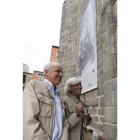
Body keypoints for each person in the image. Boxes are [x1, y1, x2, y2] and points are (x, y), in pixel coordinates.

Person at [23, 62, 68, 140]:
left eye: (62, 72)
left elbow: (64, 122)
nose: (61, 75)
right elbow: (29, 121)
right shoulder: (34, 86)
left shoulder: (60, 95)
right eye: (58, 71)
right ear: (46, 72)